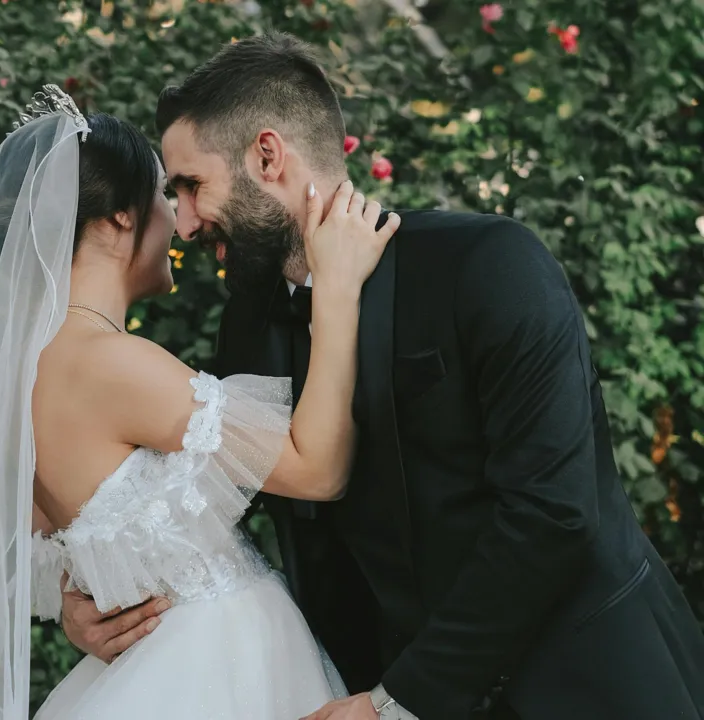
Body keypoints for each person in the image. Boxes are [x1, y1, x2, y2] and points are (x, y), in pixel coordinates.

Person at [57, 34, 704, 720]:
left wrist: (399, 702)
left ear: (268, 157)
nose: (184, 224)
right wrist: (91, 598)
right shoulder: (247, 326)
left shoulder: (487, 265)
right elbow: (185, 499)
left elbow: (554, 513)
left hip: (592, 686)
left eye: (191, 186)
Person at [0, 84, 400, 720]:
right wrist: (337, 290)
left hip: (153, 669)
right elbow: (317, 471)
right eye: (164, 194)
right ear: (121, 217)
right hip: (216, 666)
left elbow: (34, 552)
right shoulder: (109, 362)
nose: (180, 221)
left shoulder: (22, 375)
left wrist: (76, 606)